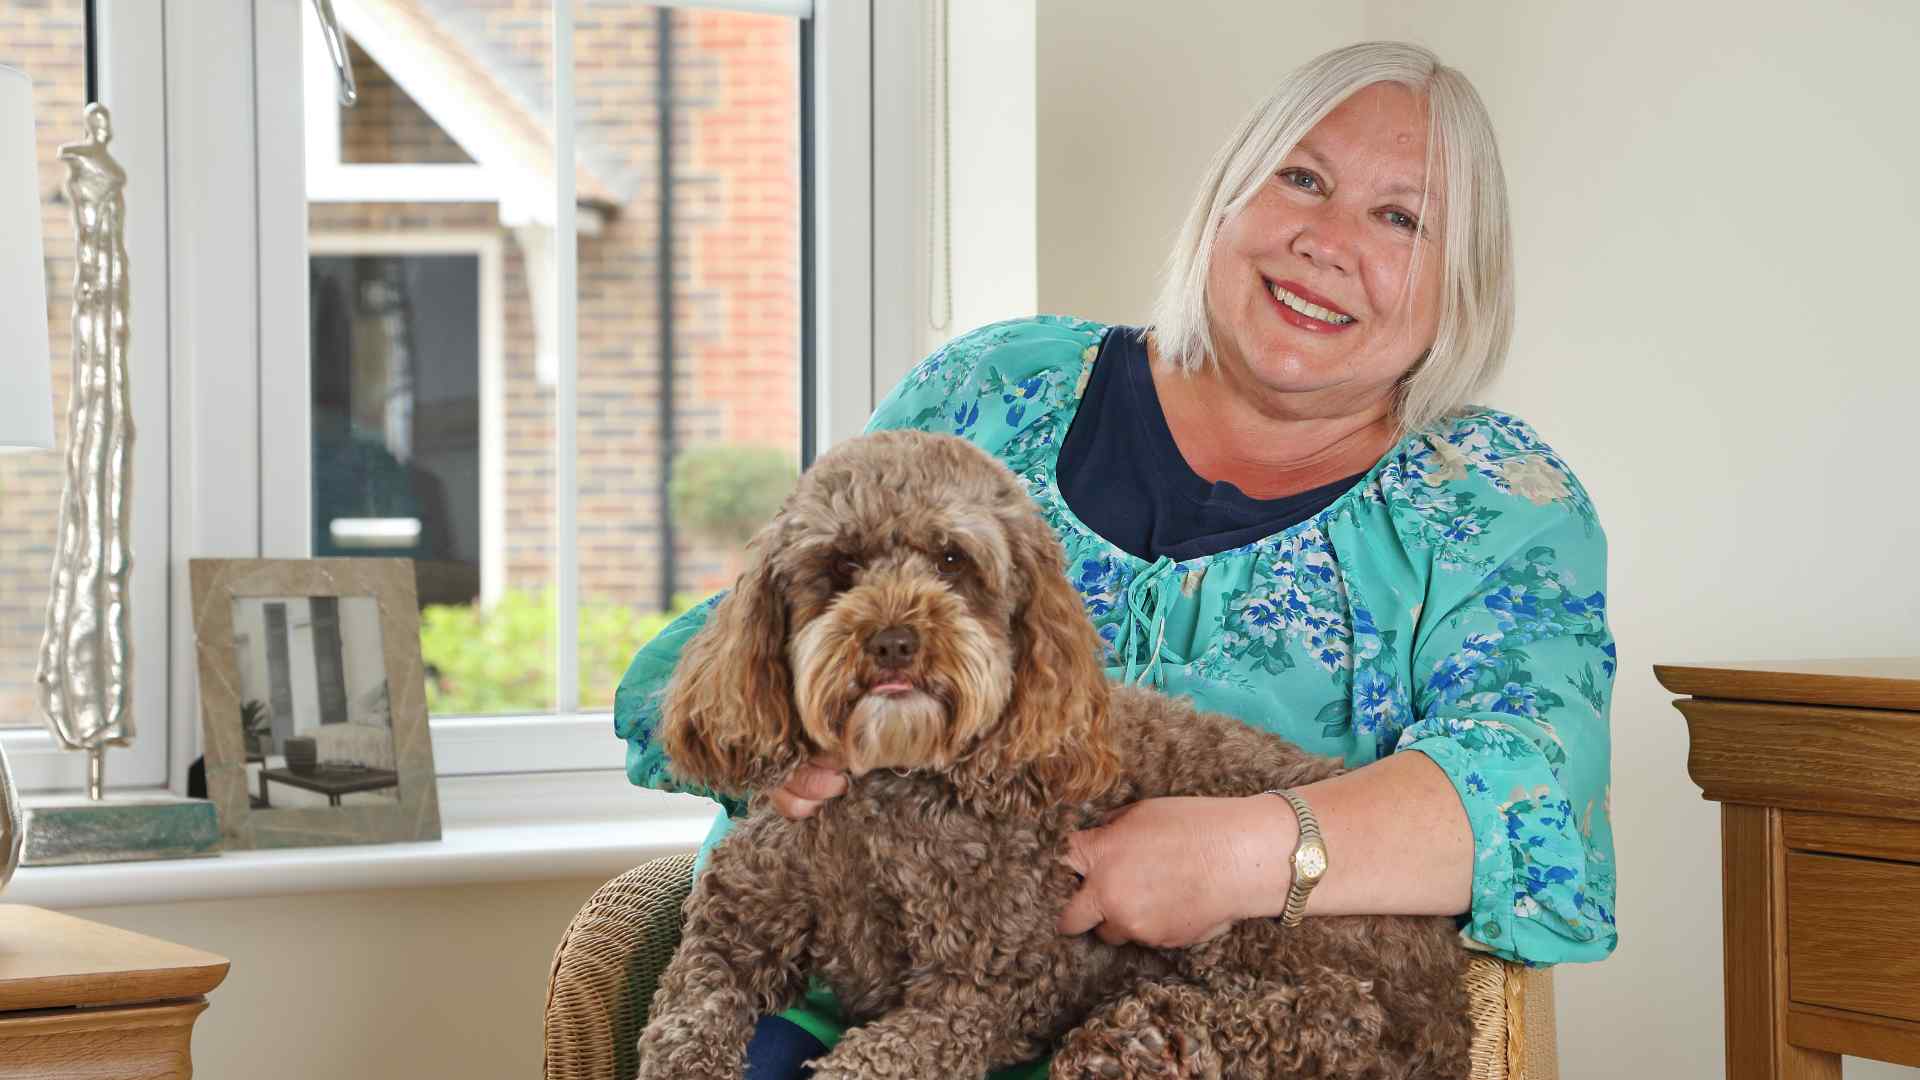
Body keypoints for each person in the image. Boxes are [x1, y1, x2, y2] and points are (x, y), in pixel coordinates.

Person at [614, 40, 1616, 1079]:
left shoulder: (1495, 503)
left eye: (1400, 218)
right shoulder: (995, 386)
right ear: (1227, 198)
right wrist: (796, 751)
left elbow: (1532, 796)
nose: (1326, 242)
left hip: (1218, 1035)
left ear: (1460, 279)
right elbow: (722, 647)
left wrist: (1242, 854)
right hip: (853, 1002)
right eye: (1302, 179)